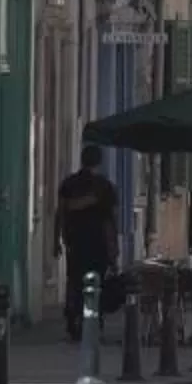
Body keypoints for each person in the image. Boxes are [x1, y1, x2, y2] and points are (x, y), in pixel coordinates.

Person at [53, 144, 118, 339]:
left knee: (74, 281)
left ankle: (73, 317)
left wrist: (56, 240)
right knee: (95, 283)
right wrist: (114, 249)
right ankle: (92, 321)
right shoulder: (105, 187)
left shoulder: (69, 184)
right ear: (98, 162)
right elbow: (111, 220)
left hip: (75, 242)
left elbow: (60, 214)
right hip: (98, 244)